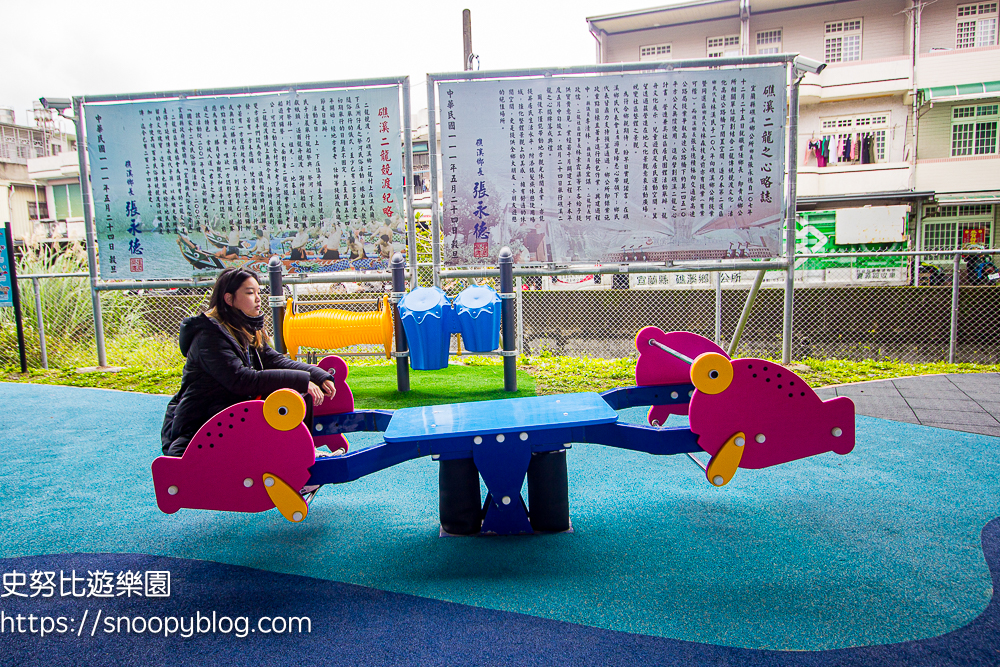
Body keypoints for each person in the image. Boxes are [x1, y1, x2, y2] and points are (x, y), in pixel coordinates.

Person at [160, 267, 336, 458]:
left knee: (297, 395)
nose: (258, 298)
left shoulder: (245, 328)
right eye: (250, 293)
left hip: (230, 411)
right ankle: (296, 457)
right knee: (293, 392)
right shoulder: (209, 336)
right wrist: (301, 380)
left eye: (258, 292)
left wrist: (317, 375)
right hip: (201, 421)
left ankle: (299, 454)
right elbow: (241, 380)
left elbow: (274, 360)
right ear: (229, 299)